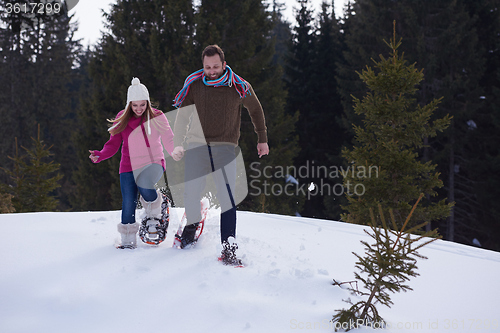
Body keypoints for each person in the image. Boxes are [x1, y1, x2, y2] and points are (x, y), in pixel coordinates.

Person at [171, 44, 269, 264]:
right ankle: (191, 227)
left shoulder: (239, 86)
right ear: (203, 66)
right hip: (197, 147)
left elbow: (255, 110)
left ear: (224, 64)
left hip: (225, 148)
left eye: (216, 66)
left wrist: (262, 138)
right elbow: (183, 116)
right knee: (191, 192)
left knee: (227, 199)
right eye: (207, 67)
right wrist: (178, 143)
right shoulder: (195, 85)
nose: (212, 70)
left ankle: (228, 247)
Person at [89, 77, 174, 249]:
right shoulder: (122, 118)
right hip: (128, 165)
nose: (139, 109)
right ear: (129, 104)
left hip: (154, 161)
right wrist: (101, 154)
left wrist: (175, 151)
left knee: (144, 183)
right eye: (135, 105)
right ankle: (127, 242)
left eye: (142, 105)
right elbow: (113, 144)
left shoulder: (157, 116)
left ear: (147, 102)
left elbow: (169, 138)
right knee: (128, 201)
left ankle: (155, 211)